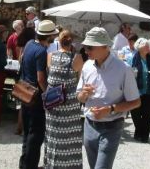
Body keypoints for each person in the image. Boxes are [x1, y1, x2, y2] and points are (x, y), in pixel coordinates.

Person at [77, 27, 141, 168]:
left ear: (103, 46)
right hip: (89, 125)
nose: (86, 51)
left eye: (89, 47)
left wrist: (110, 109)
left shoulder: (123, 69)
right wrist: (83, 94)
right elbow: (80, 98)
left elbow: (136, 102)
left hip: (112, 126)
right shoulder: (87, 66)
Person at [19, 19, 59, 169]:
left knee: (27, 133)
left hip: (24, 92)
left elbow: (22, 61)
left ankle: (24, 165)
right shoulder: (42, 51)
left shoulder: (29, 44)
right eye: (53, 35)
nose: (54, 38)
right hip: (35, 96)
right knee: (35, 136)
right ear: (48, 37)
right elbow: (41, 78)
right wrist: (50, 94)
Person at [44, 29, 84, 168]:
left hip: (52, 100)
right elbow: (80, 80)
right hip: (70, 102)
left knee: (52, 133)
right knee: (70, 137)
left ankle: (51, 163)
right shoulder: (77, 58)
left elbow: (49, 73)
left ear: (58, 41)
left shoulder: (50, 56)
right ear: (71, 41)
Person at [130, 38, 150, 143]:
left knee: (148, 115)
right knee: (136, 114)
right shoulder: (132, 59)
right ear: (140, 48)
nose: (148, 47)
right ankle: (138, 132)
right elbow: (126, 73)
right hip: (135, 92)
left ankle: (144, 136)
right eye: (146, 45)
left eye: (148, 45)